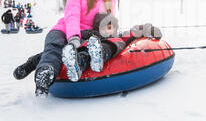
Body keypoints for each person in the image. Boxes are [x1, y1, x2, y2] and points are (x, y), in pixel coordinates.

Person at [32, 0, 117, 97]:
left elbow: (109, 19)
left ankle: (73, 63)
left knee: (86, 48)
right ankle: (44, 76)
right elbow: (72, 17)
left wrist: (110, 31)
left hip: (88, 34)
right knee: (55, 48)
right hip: (64, 30)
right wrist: (73, 37)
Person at [13, 12, 162, 82]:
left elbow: (135, 30)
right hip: (80, 50)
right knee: (53, 53)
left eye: (113, 26)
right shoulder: (89, 33)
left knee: (108, 45)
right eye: (106, 26)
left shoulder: (118, 37)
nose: (110, 29)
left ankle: (86, 61)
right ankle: (29, 66)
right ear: (98, 27)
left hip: (105, 49)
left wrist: (148, 28)